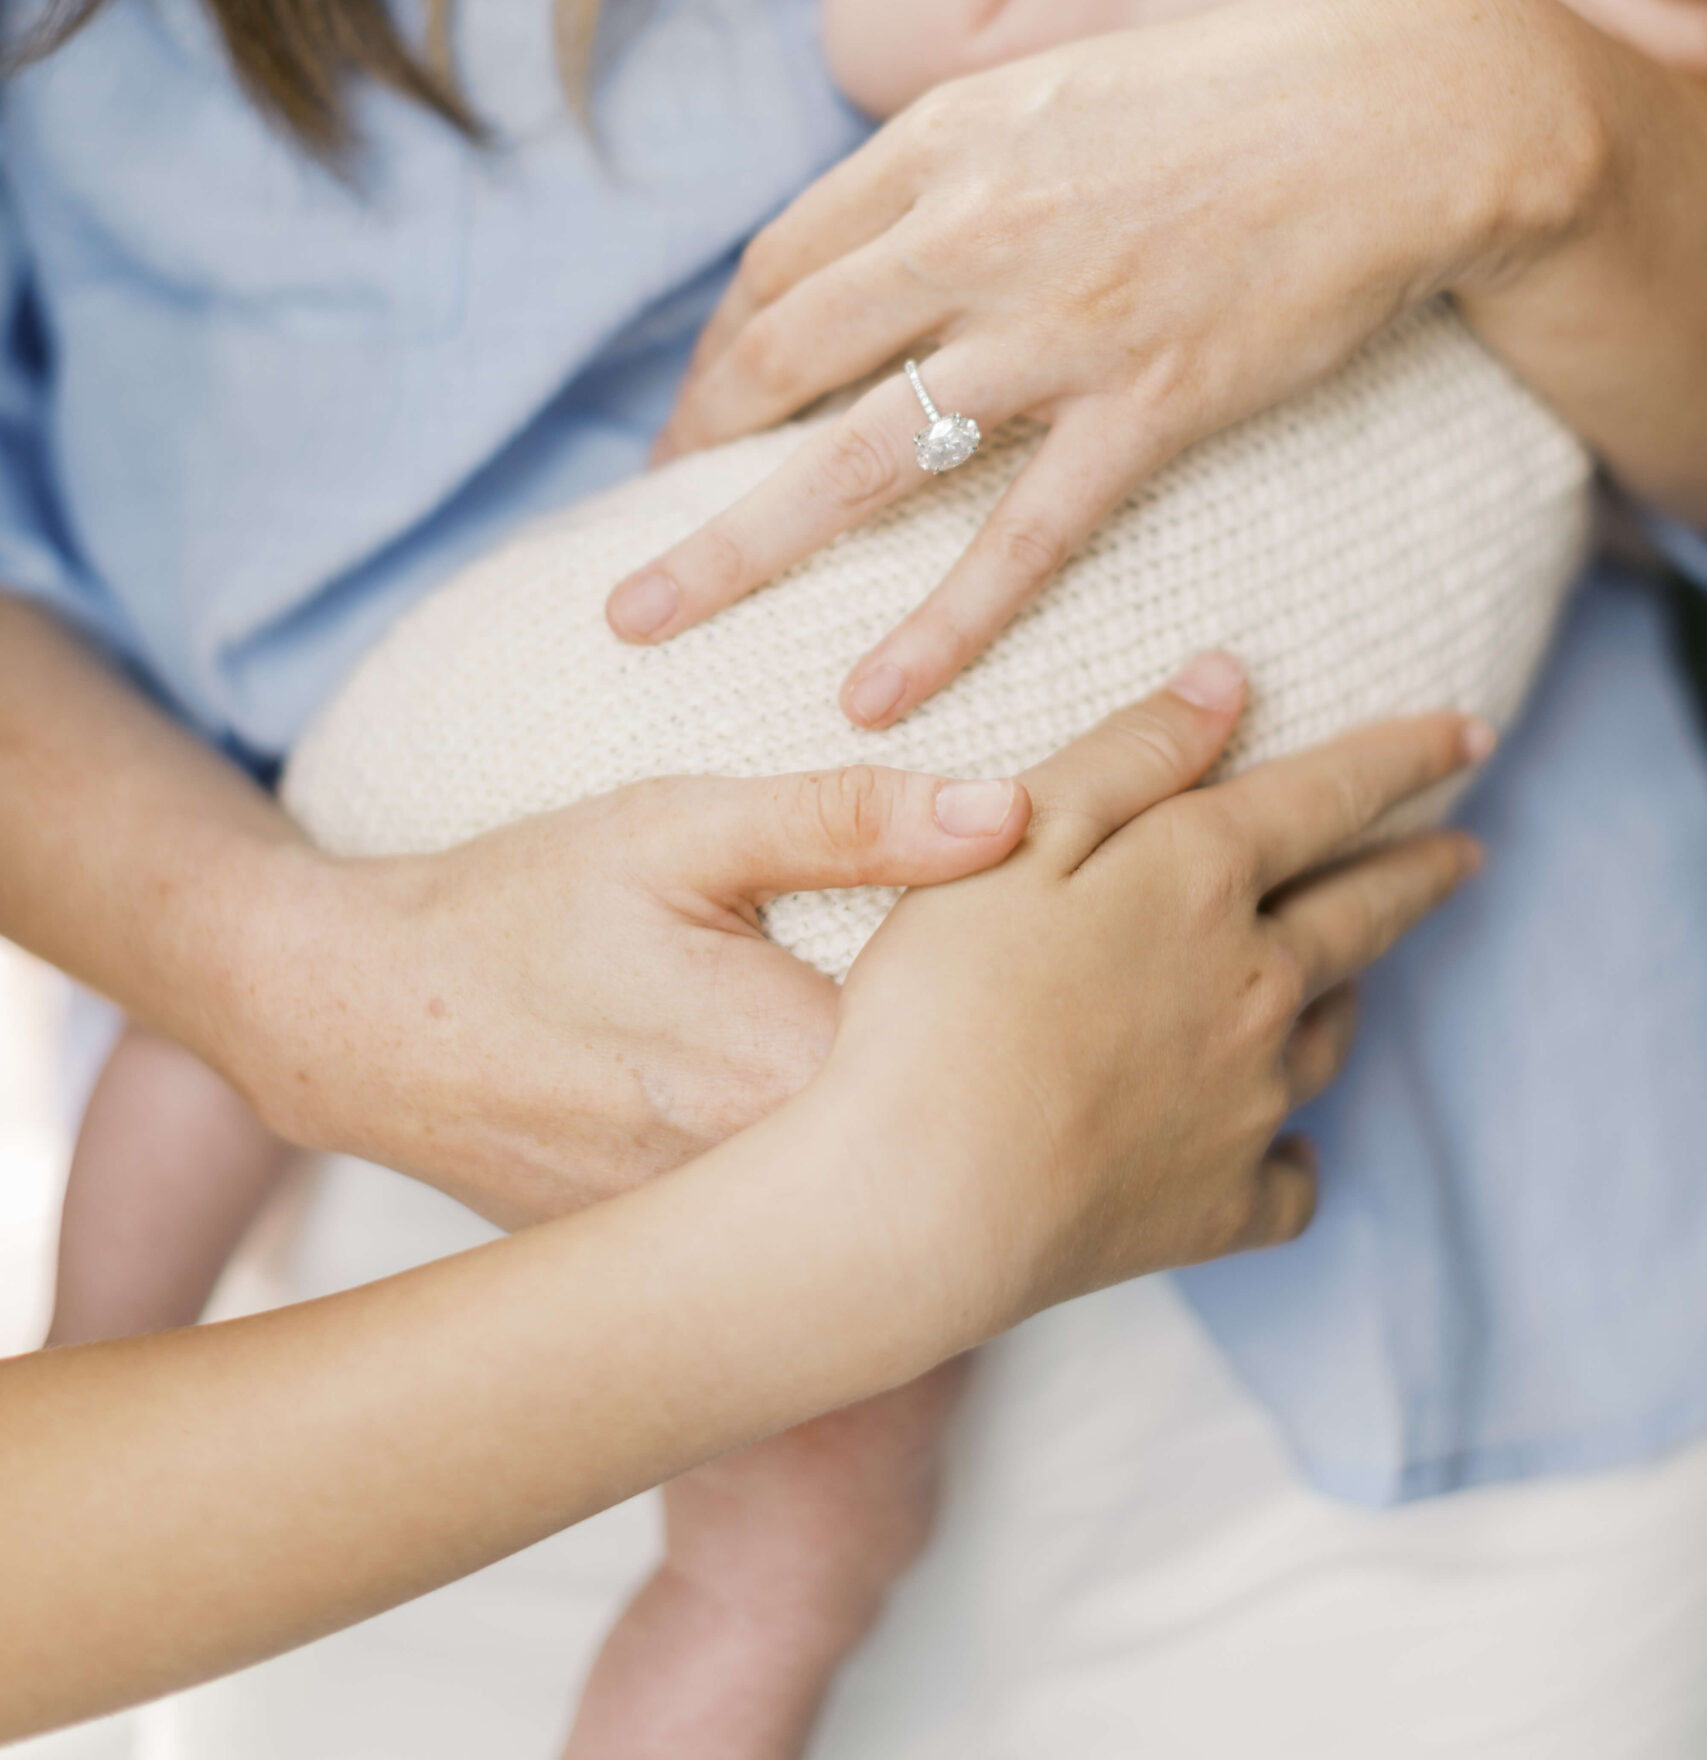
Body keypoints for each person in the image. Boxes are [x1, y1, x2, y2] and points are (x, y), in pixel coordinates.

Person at [3, 0, 1707, 1750]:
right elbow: (939, 1)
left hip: (1442, 1261)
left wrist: (1537, 127)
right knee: (728, 1375)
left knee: (780, 1405)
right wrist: (282, 977)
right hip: (400, 1222)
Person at [0, 676, 1484, 1745]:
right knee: (769, 1577)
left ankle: (95, 1346)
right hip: (761, 923)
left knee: (200, 1027)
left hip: (337, 776)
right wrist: (886, 1213)